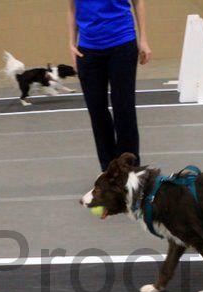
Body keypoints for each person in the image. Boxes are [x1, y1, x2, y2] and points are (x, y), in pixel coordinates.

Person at [67, 0, 151, 171]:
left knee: (123, 109)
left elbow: (139, 3)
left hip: (122, 44)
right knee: (97, 112)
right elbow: (72, 8)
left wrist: (144, 40)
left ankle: (129, 168)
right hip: (88, 51)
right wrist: (71, 43)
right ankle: (108, 169)